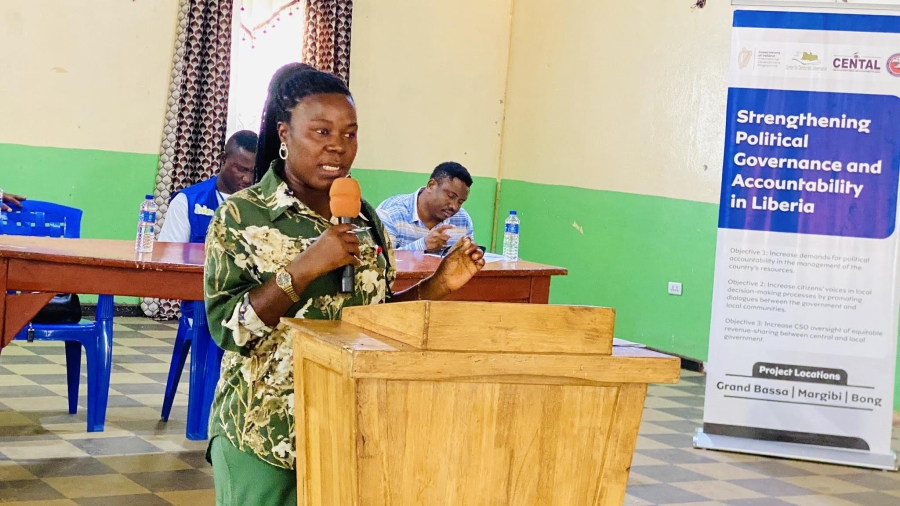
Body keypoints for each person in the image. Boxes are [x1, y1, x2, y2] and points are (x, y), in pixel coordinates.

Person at [204, 63, 485, 506]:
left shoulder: (366, 218)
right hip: (265, 433)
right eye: (321, 131)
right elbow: (229, 330)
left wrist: (437, 285)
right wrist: (305, 267)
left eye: (349, 134)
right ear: (284, 133)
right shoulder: (242, 215)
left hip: (349, 427)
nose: (338, 145)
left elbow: (373, 320)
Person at [158, 130, 258, 243]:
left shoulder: (262, 206)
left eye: (253, 172)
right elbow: (170, 253)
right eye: (241, 169)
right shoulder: (186, 202)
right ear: (223, 160)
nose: (248, 179)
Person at [376, 162, 474, 252]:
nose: (454, 206)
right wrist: (422, 245)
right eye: (451, 196)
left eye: (460, 202)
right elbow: (381, 261)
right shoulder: (390, 213)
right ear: (431, 185)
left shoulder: (463, 220)